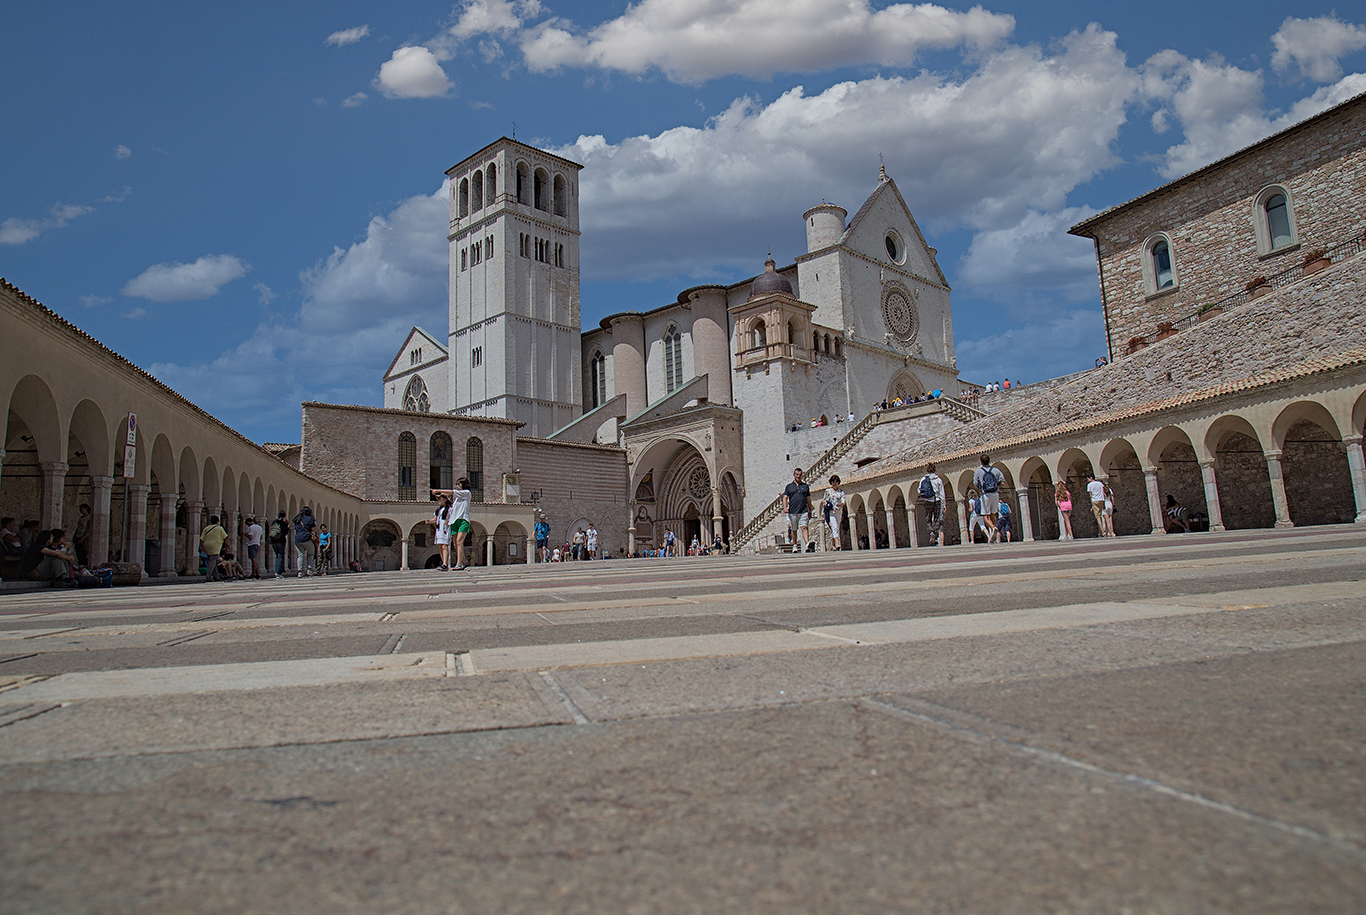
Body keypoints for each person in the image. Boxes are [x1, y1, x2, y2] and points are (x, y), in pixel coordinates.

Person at [430, 480, 473, 570]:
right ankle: (464, 561)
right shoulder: (457, 499)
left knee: (459, 541)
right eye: (456, 484)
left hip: (463, 520)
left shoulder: (466, 493)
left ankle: (459, 563)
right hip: (454, 521)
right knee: (455, 544)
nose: (457, 485)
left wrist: (438, 491)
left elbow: (451, 492)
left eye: (459, 484)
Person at [973, 454, 1004, 543]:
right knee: (993, 514)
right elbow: (1003, 482)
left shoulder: (978, 471)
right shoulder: (996, 470)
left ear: (981, 462)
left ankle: (994, 528)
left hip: (985, 495)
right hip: (995, 493)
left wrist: (981, 488)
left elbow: (975, 485)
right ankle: (995, 536)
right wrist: (996, 486)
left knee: (985, 516)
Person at [782, 467, 812, 555]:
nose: (798, 476)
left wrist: (810, 510)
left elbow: (808, 499)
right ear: (794, 475)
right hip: (793, 511)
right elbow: (785, 498)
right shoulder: (789, 487)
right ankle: (794, 545)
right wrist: (785, 507)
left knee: (804, 527)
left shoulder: (805, 486)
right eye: (797, 475)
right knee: (794, 529)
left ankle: (807, 544)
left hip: (804, 510)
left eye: (800, 475)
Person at [918, 463, 946, 546]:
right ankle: (935, 533)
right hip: (937, 500)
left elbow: (919, 490)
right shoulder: (938, 479)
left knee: (928, 518)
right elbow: (942, 493)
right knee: (937, 518)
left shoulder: (923, 479)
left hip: (927, 501)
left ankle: (931, 532)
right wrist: (944, 505)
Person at [201, 514, 229, 582]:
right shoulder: (219, 528)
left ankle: (217, 577)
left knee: (212, 561)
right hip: (215, 546)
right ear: (218, 521)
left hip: (206, 546)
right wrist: (228, 545)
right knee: (212, 561)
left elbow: (202, 539)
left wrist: (201, 546)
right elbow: (225, 538)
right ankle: (208, 576)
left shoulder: (206, 528)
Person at [823, 474, 846, 550]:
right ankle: (838, 543)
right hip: (831, 512)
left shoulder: (841, 491)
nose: (834, 483)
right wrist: (825, 503)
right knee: (834, 527)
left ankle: (833, 545)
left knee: (836, 527)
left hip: (839, 511)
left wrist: (841, 503)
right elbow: (825, 500)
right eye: (833, 482)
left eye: (836, 482)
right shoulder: (828, 491)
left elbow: (843, 499)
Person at [293, 506, 317, 577]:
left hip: (297, 539)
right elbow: (313, 529)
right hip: (306, 538)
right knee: (311, 553)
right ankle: (309, 569)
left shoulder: (297, 519)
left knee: (300, 555)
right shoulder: (309, 519)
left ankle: (300, 571)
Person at [1085, 472, 1110, 539]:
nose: (1087, 480)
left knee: (1098, 517)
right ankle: (1108, 531)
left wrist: (1092, 504)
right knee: (1104, 515)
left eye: (1088, 478)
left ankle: (1103, 531)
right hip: (1101, 500)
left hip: (1095, 500)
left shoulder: (1089, 485)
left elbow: (1090, 495)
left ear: (1091, 478)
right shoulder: (1100, 484)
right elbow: (1103, 492)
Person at [269, 510, 290, 577]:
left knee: (277, 556)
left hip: (273, 541)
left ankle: (276, 571)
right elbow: (286, 532)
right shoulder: (284, 524)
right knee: (280, 556)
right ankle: (278, 572)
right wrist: (287, 526)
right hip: (281, 541)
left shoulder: (274, 522)